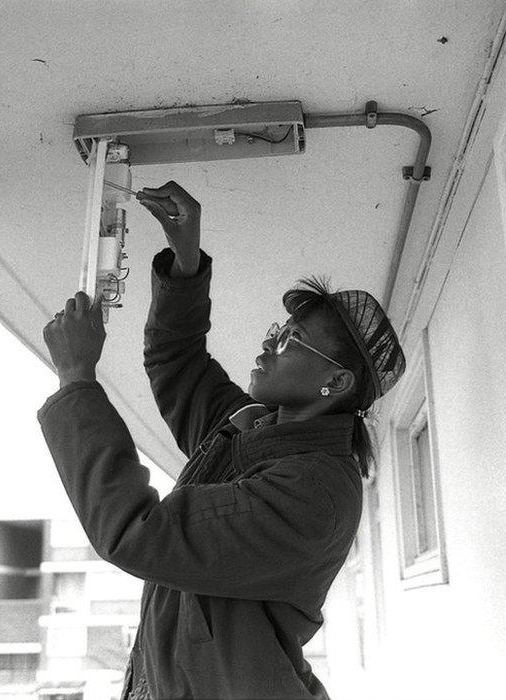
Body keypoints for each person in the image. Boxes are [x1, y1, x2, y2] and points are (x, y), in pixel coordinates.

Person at [38, 181, 406, 699]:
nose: (269, 342)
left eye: (291, 340)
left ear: (337, 383)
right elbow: (177, 361)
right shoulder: (252, 426)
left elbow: (138, 533)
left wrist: (77, 379)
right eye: (279, 328)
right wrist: (185, 260)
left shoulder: (314, 493)